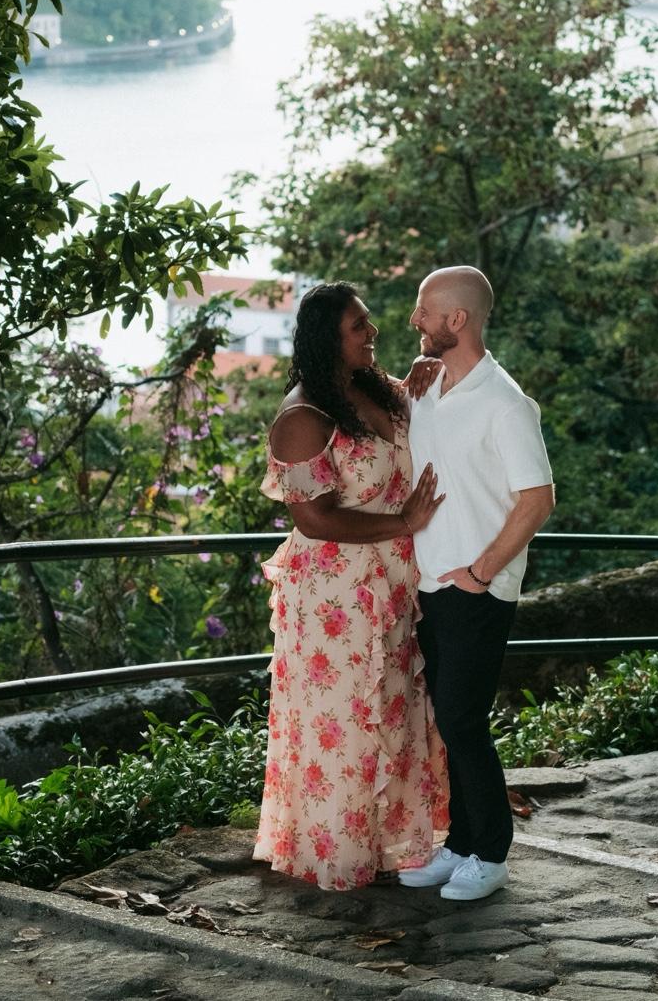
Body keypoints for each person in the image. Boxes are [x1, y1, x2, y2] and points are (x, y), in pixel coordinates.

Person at [254, 281, 450, 890]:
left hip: (393, 583)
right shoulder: (302, 417)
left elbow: (424, 410)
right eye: (358, 326)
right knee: (343, 720)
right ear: (327, 340)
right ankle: (339, 851)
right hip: (333, 598)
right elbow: (313, 519)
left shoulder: (371, 387)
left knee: (393, 708)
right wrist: (404, 523)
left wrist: (425, 371)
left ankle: (392, 844)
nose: (373, 331)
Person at [398, 265, 555, 901]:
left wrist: (482, 572)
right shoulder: (426, 386)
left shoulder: (506, 403)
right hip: (427, 583)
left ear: (457, 319)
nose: (415, 319)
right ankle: (461, 843)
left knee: (463, 720)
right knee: (447, 719)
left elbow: (538, 499)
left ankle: (490, 854)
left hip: (477, 589)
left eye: (424, 310)